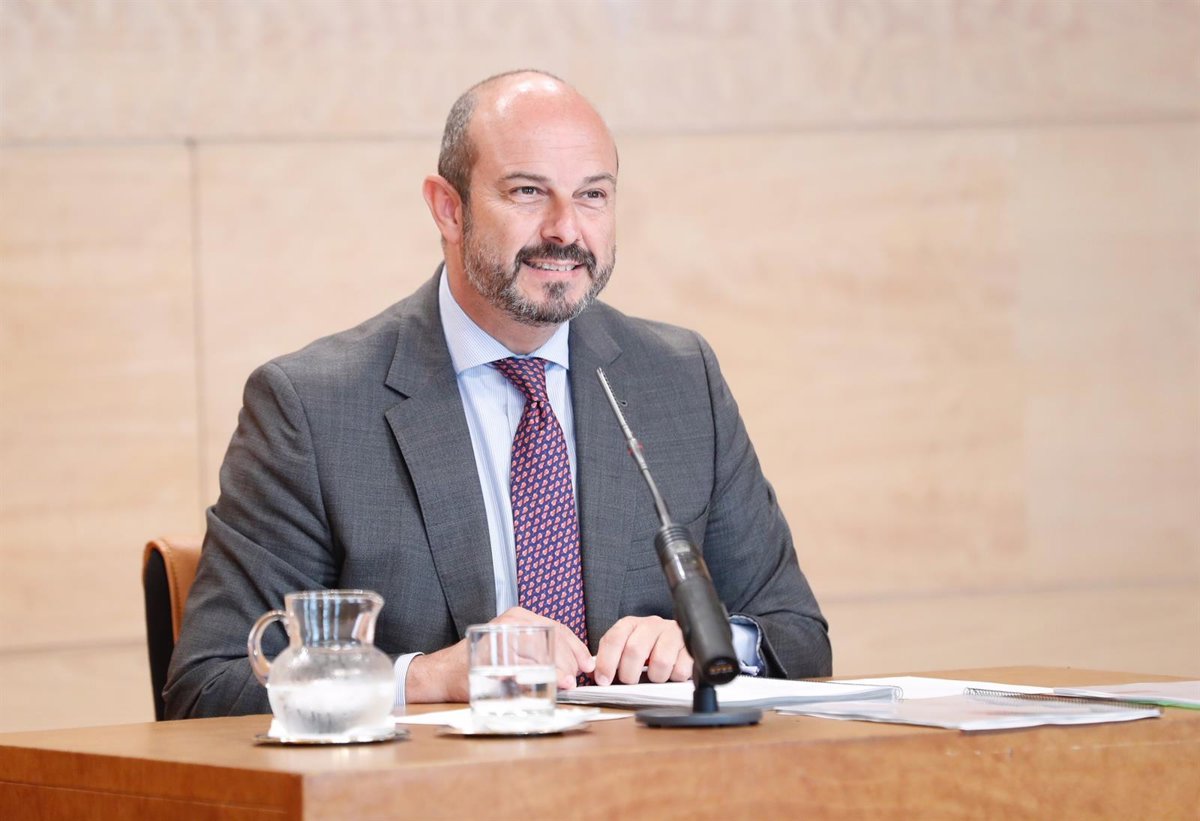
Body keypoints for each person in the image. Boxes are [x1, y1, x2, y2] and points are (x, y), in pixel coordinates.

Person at [164, 70, 830, 718]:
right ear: (448, 208)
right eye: (528, 192)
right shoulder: (311, 407)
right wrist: (424, 677)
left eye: (593, 195)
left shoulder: (679, 379)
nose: (566, 229)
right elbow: (208, 683)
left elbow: (797, 634)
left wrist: (708, 645)